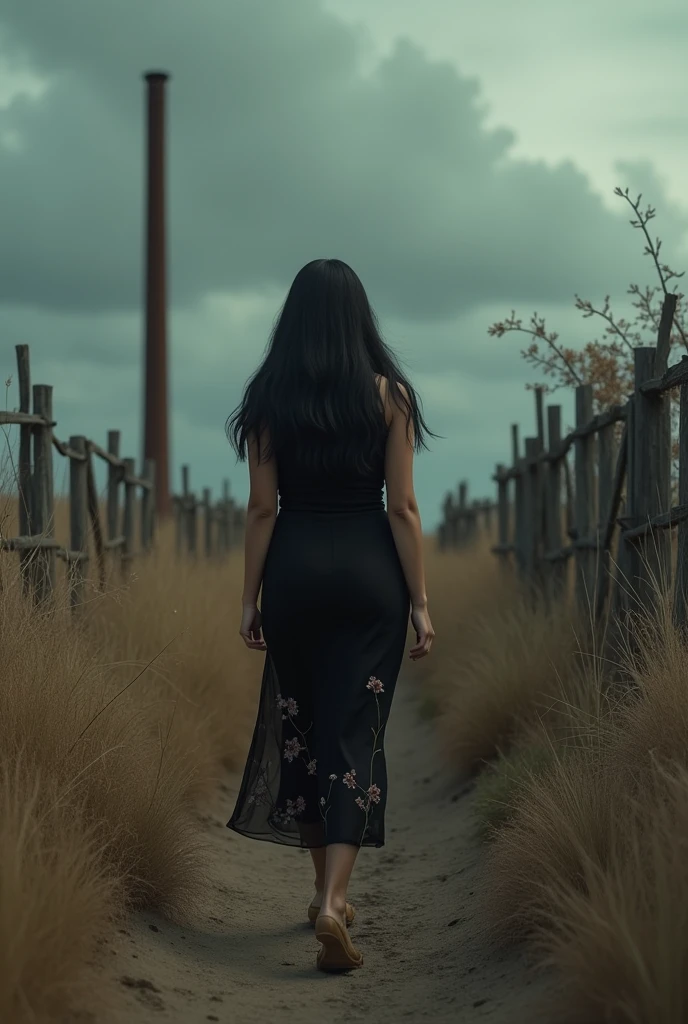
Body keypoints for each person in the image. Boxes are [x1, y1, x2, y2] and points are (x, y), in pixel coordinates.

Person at [225, 258, 436, 972]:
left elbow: (261, 510)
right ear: (359, 319)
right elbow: (402, 509)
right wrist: (423, 605)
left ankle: (322, 891)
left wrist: (249, 597)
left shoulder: (268, 401)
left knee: (304, 734)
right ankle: (333, 901)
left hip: (295, 576)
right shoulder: (391, 397)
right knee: (355, 734)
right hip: (371, 579)